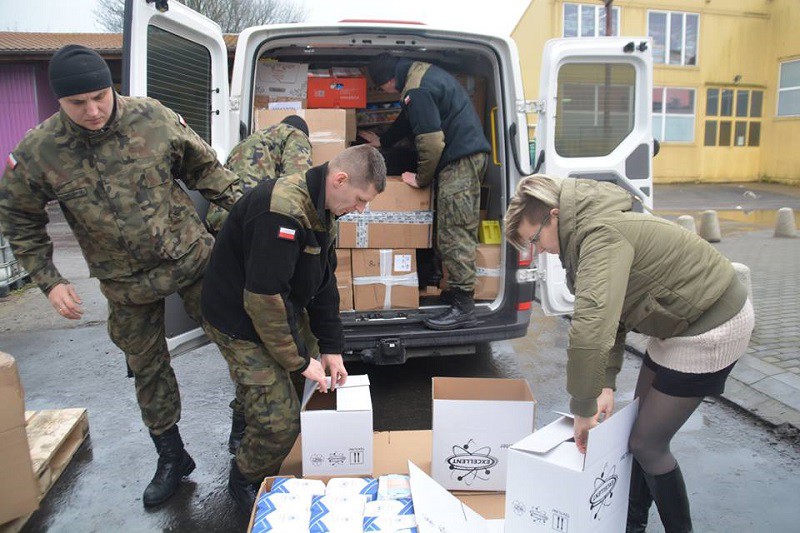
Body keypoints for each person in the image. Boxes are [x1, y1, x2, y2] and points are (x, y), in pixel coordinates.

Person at [0, 45, 242, 507]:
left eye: (99, 96)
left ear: (112, 88)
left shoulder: (152, 117)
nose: (92, 111)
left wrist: (255, 220)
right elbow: (18, 218)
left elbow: (207, 171)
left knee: (238, 343)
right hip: (125, 284)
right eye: (77, 103)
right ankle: (171, 457)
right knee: (148, 370)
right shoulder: (39, 150)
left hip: (191, 261)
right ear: (59, 102)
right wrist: (50, 281)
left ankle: (244, 431)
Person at [504, 175, 754, 533]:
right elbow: (614, 313)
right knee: (638, 431)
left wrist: (584, 407)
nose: (539, 250)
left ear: (555, 216)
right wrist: (604, 384)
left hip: (711, 325)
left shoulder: (601, 236)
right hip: (676, 320)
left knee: (648, 443)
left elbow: (592, 330)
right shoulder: (586, 235)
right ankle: (632, 523)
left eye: (535, 239)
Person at [201, 144, 386, 513]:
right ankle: (246, 477)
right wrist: (301, 362)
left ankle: (243, 424)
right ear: (340, 179)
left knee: (273, 390)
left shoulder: (323, 207)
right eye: (362, 200)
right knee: (280, 422)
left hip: (274, 307)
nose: (363, 210)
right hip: (238, 319)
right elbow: (264, 301)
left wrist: (331, 348)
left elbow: (323, 283)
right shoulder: (282, 212)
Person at [361, 52, 491, 330]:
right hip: (461, 157)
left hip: (461, 160)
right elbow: (409, 121)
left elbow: (431, 142)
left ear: (389, 80)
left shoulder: (417, 88)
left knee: (454, 230)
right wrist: (382, 140)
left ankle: (464, 305)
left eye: (381, 87)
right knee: (449, 227)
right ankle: (457, 292)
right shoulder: (419, 75)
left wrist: (421, 178)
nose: (383, 92)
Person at [206, 115, 312, 234]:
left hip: (219, 218)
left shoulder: (247, 141)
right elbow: (297, 185)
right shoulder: (296, 135)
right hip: (252, 218)